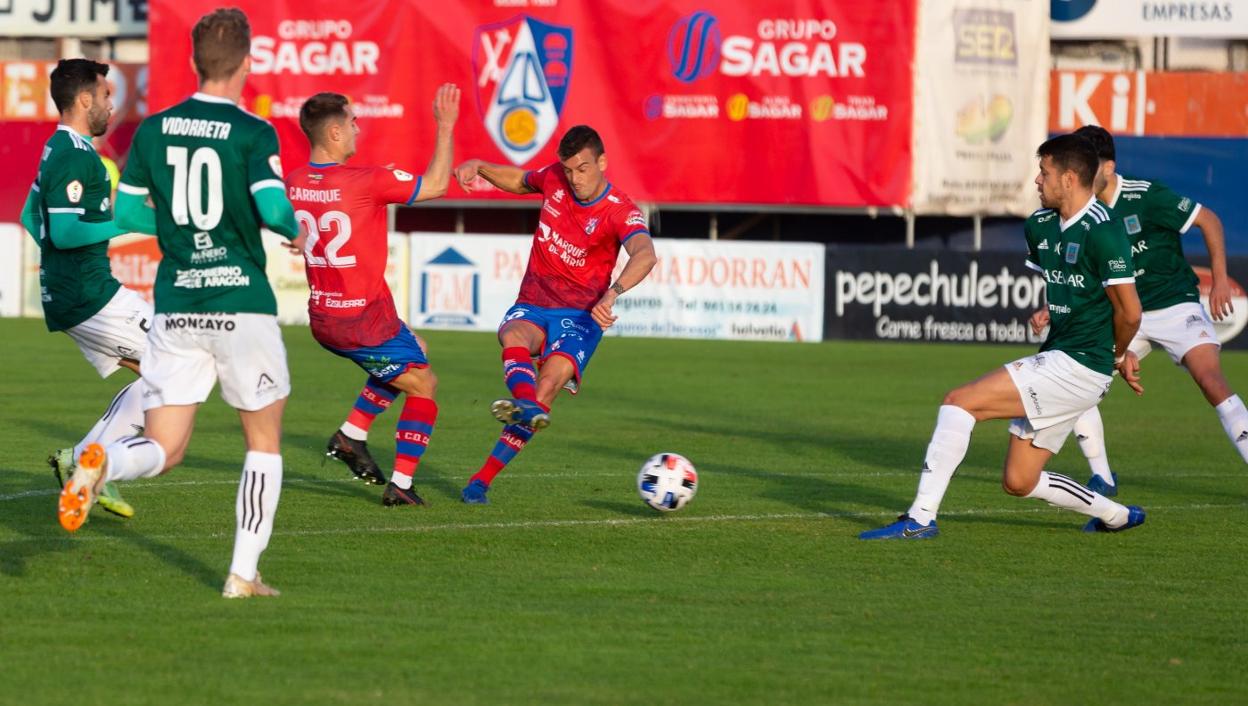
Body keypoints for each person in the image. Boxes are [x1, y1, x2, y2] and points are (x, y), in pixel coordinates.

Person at [57, 8, 304, 599]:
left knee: (164, 447)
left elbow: (130, 212)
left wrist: (176, 226)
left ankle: (105, 462)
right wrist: (295, 230)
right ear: (247, 63)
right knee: (263, 443)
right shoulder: (253, 131)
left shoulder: (154, 129)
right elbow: (274, 209)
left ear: (194, 62)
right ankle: (242, 574)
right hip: (240, 302)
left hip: (177, 305)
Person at [860, 134, 1147, 540]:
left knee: (959, 403)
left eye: (1044, 173)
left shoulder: (1104, 229)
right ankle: (1115, 515)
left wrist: (1116, 355)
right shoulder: (1040, 225)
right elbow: (1077, 287)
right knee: (1019, 480)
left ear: (1068, 178)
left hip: (1078, 366)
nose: (1037, 180)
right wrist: (1056, 310)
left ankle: (920, 519)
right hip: (1067, 359)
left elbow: (1130, 312)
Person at [453, 125, 657, 504]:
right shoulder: (554, 179)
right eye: (569, 170)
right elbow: (519, 181)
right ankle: (525, 404)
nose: (575, 179)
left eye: (583, 169)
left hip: (581, 316)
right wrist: (479, 166)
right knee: (513, 335)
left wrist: (613, 293)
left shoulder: (620, 210)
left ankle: (480, 481)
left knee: (547, 386)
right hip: (535, 299)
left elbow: (645, 254)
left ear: (602, 163)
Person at [1046, 125, 1245, 496]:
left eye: (1089, 164)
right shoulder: (1079, 211)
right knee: (1074, 379)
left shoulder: (1146, 196)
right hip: (1125, 314)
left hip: (1174, 305)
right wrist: (1051, 306)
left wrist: (1220, 279)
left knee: (1211, 381)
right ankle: (1103, 477)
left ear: (1108, 167)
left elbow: (1209, 220)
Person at [286, 85, 460, 506]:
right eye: (353, 122)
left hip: (326, 316)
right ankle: (401, 486)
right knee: (423, 385)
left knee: (415, 350)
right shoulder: (367, 180)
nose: (358, 129)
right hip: (360, 320)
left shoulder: (293, 182)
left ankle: (352, 435)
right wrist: (445, 125)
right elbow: (437, 185)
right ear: (334, 132)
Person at [20, 58, 154, 521]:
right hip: (90, 295)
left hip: (78, 292)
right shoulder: (76, 156)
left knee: (164, 374)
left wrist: (58, 266)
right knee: (179, 366)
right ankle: (87, 460)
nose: (111, 105)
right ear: (83, 100)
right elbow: (64, 232)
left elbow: (29, 216)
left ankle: (83, 460)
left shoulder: (57, 148)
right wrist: (126, 223)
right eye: (105, 96)